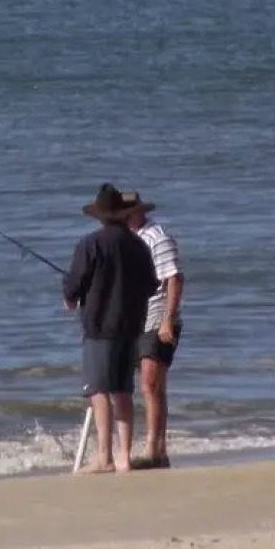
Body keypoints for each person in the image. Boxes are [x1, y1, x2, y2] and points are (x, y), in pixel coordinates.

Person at [62, 183, 159, 474]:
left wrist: (70, 298)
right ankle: (124, 457)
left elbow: (74, 284)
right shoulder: (138, 244)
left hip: (100, 326)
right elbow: (152, 285)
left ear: (99, 216)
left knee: (99, 390)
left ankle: (104, 456)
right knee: (123, 391)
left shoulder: (90, 244)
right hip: (132, 327)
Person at [125, 191, 184, 470]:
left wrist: (168, 319)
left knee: (150, 382)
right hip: (136, 319)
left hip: (158, 318)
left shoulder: (156, 237)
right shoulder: (130, 239)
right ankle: (158, 449)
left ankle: (153, 449)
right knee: (151, 385)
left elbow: (174, 278)